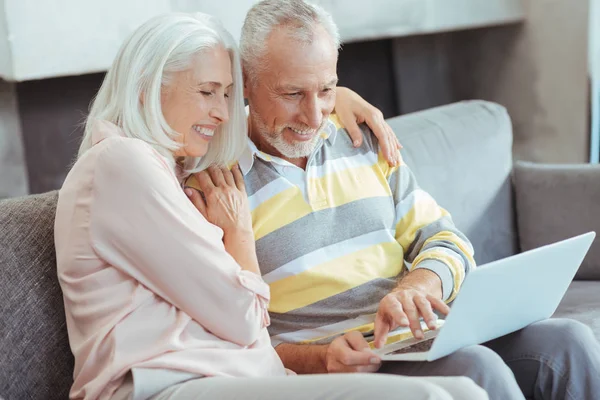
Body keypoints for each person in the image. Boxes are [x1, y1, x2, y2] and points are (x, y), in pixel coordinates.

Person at [54, 11, 488, 400]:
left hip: (245, 374)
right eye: (208, 91)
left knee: (470, 386)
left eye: (226, 93)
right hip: (181, 381)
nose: (223, 112)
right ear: (147, 86)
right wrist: (241, 234)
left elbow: (445, 238)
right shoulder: (166, 171)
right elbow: (243, 318)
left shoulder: (168, 168)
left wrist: (335, 96)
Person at [186, 1, 600, 400]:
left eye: (327, 89)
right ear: (245, 80)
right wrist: (321, 359)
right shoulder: (217, 185)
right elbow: (233, 337)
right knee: (477, 368)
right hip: (347, 363)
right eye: (292, 94)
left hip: (419, 336)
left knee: (567, 341)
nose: (314, 116)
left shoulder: (362, 138)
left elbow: (446, 240)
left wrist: (417, 286)